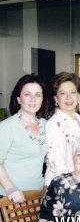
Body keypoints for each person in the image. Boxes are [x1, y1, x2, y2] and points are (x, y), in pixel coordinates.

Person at [0, 74, 48, 202]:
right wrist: (10, 188)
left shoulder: (45, 124)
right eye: (27, 94)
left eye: (38, 94)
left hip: (37, 194)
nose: (33, 99)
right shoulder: (7, 126)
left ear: (42, 99)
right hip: (10, 197)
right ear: (19, 99)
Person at [45, 72, 80, 186]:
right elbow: (57, 165)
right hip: (65, 188)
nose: (69, 97)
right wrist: (72, 189)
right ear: (56, 98)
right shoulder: (55, 124)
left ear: (78, 95)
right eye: (62, 93)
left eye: (73, 92)